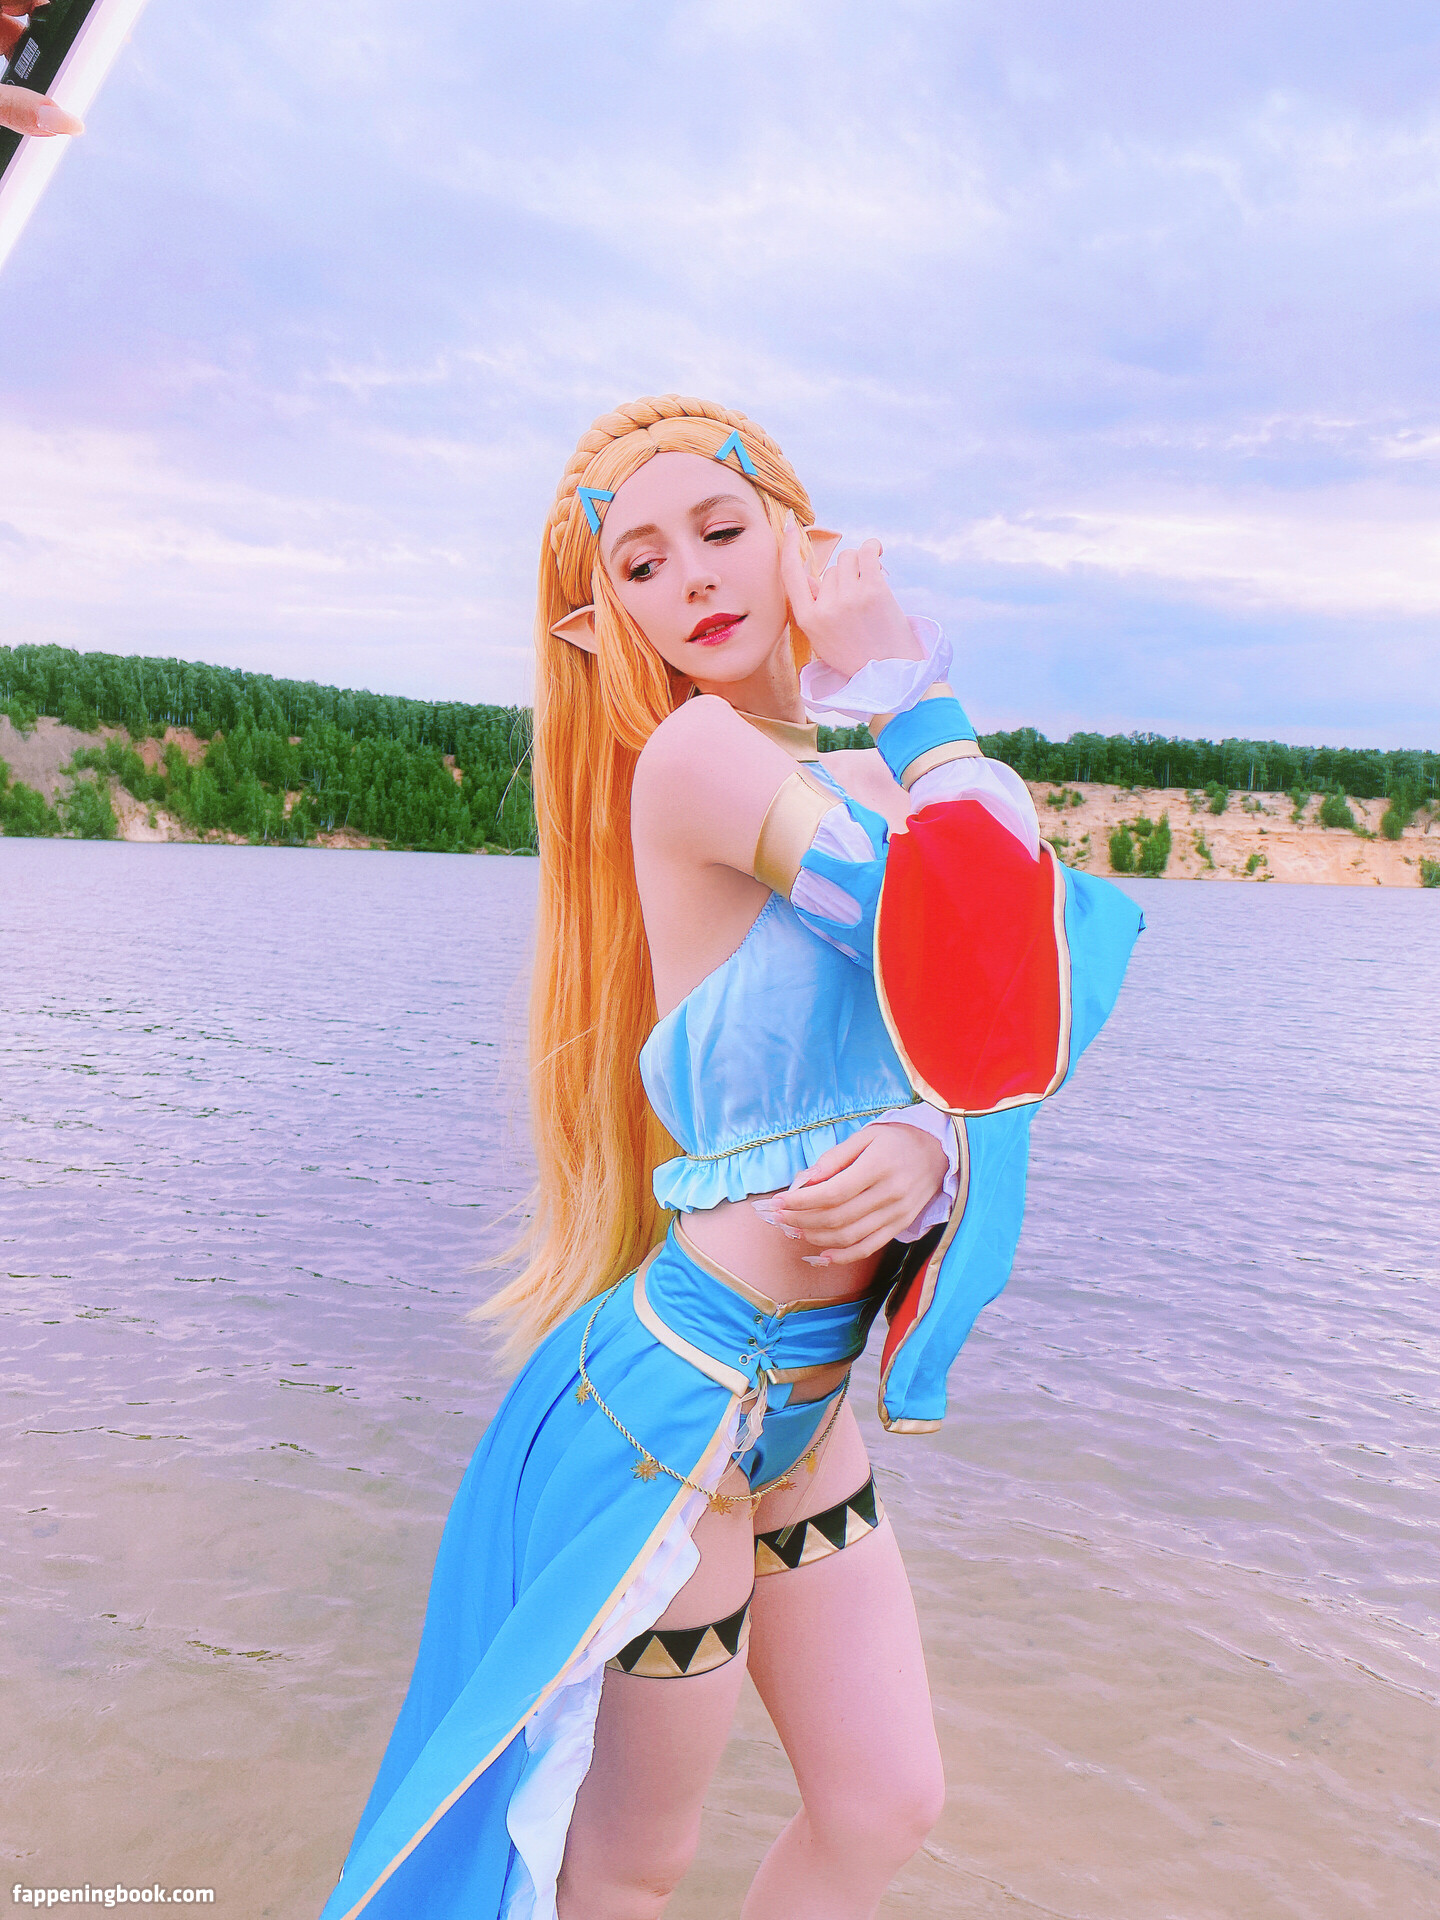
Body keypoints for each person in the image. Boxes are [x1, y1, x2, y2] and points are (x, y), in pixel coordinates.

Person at [319, 395, 1142, 1920]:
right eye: (640, 565)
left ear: (792, 536)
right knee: (631, 1867)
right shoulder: (696, 759)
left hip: (810, 1411)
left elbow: (1030, 994)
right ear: (606, 622)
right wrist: (908, 688)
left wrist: (930, 1142)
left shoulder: (878, 779)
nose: (690, 579)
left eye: (717, 530)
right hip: (682, 1407)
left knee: (884, 1806)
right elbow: (960, 942)